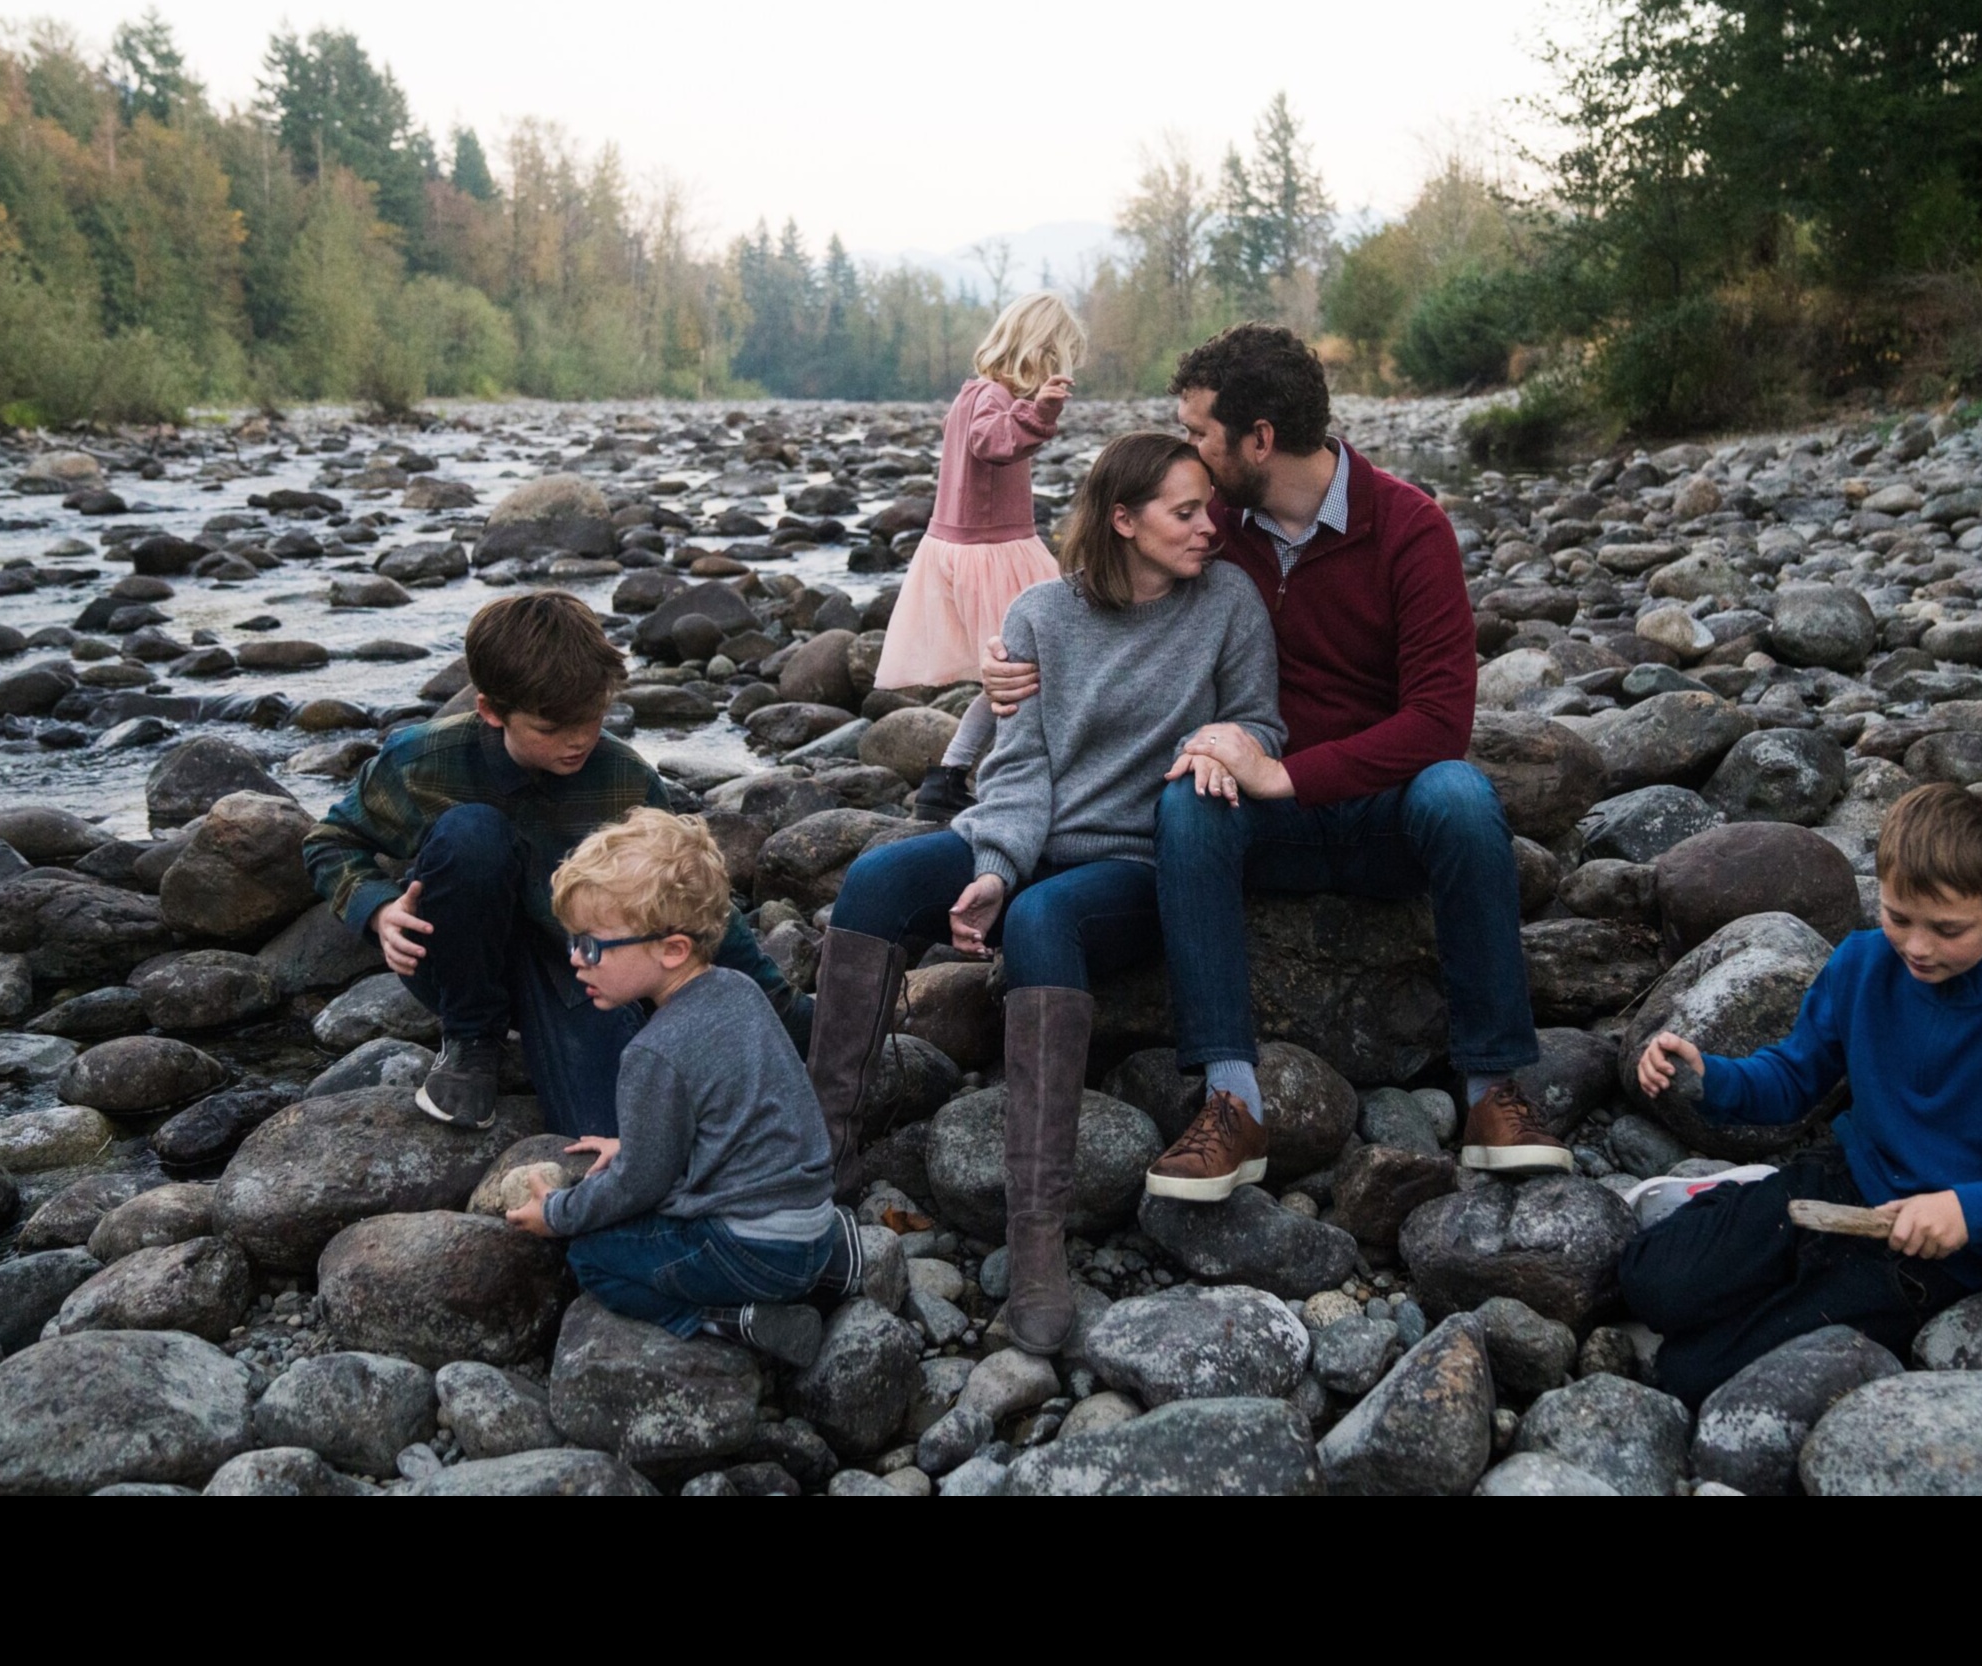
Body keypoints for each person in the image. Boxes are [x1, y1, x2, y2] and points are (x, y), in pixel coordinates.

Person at [986, 322, 1569, 1201]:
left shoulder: (1409, 528)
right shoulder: (1210, 527)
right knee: (1185, 803)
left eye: (1198, 433)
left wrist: (1285, 774)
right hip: (1262, 826)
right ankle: (1232, 1104)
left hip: (1382, 811)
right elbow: (1100, 594)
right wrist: (1007, 665)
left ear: (1258, 439)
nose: (1187, 453)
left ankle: (1494, 1093)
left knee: (1460, 793)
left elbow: (1440, 722)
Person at [805, 432, 1281, 1355]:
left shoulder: (1228, 603)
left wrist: (1225, 743)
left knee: (1046, 919)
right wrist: (993, 866)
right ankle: (826, 1160)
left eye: (1206, 507)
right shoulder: (1037, 617)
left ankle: (1036, 1240)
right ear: (1123, 521)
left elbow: (1260, 720)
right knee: (874, 878)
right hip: (1032, 836)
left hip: (1142, 864)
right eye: (1186, 512)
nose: (1208, 527)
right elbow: (1015, 771)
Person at [1619, 783, 1982, 1408]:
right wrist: (1710, 1076)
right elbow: (1794, 1079)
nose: (1916, 947)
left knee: (1691, 1373)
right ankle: (1729, 1199)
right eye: (1898, 916)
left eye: (1947, 928)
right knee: (1647, 1282)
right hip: (1838, 1181)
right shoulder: (1862, 964)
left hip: (1928, 1259)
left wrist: (1974, 1211)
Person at [301, 590, 807, 1136]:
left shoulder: (623, 777)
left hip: (580, 968)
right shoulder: (421, 761)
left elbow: (687, 896)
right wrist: (376, 909)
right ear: (492, 711)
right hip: (458, 954)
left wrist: (778, 1003)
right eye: (551, 729)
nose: (580, 740)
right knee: (472, 833)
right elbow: (329, 840)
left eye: (592, 718)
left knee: (609, 1132)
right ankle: (472, 1041)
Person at [503, 811, 842, 1368]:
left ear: (673, 949)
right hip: (813, 1224)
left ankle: (733, 1321)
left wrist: (559, 1212)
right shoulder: (738, 989)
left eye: (591, 946)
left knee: (593, 1257)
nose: (573, 959)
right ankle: (829, 1267)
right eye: (572, 940)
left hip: (754, 1250)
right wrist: (636, 1142)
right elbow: (739, 1111)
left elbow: (639, 1185)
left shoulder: (653, 1051)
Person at [871, 290, 1088, 823]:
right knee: (1025, 669)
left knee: (1013, 673)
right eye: (1055, 360)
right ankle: (965, 775)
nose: (1055, 373)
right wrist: (1041, 413)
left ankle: (955, 776)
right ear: (1036, 352)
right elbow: (993, 443)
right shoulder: (991, 398)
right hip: (991, 552)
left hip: (965, 548)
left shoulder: (975, 393)